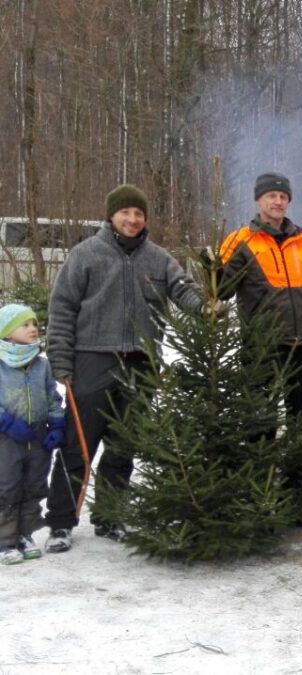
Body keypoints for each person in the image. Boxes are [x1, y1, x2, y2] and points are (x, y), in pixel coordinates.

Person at [44, 184, 203, 552]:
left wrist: (205, 307)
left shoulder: (159, 258)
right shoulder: (85, 254)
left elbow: (183, 290)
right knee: (78, 445)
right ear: (111, 215)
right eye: (125, 213)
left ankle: (110, 518)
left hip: (142, 364)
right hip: (92, 360)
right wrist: (61, 361)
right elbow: (62, 308)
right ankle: (61, 522)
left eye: (139, 214)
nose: (133, 220)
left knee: (123, 446)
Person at [218, 172, 302, 528]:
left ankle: (294, 499)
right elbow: (220, 289)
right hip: (261, 350)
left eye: (283, 196)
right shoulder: (242, 241)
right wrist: (214, 266)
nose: (278, 201)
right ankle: (260, 501)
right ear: (259, 200)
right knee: (261, 427)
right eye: (271, 195)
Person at [0, 306, 64, 564]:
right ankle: (5, 539)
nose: (33, 329)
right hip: (6, 437)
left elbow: (52, 396)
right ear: (7, 332)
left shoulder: (41, 364)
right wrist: (6, 422)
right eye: (25, 324)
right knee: (7, 486)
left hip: (37, 435)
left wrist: (56, 424)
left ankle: (25, 534)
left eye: (34, 324)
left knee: (34, 485)